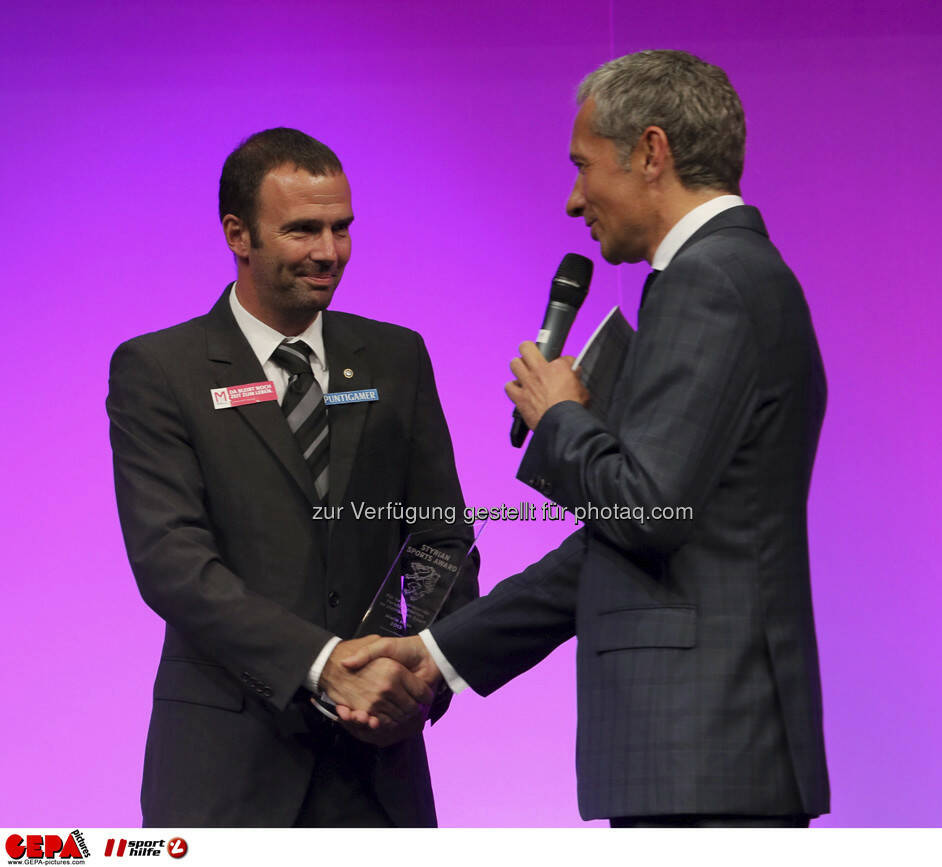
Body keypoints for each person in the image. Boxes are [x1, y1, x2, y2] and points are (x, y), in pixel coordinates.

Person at [341, 50, 829, 827]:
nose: (574, 200)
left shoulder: (711, 282)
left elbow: (645, 511)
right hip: (702, 757)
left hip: (704, 753)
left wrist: (559, 415)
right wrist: (435, 655)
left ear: (650, 152)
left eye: (583, 165)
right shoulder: (729, 275)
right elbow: (620, 546)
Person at [107, 127, 478, 827]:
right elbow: (174, 563)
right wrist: (322, 662)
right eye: (303, 230)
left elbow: (440, 538)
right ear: (238, 234)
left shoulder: (396, 357)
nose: (329, 252)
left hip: (379, 768)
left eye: (341, 228)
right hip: (226, 769)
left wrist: (410, 672)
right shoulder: (160, 370)